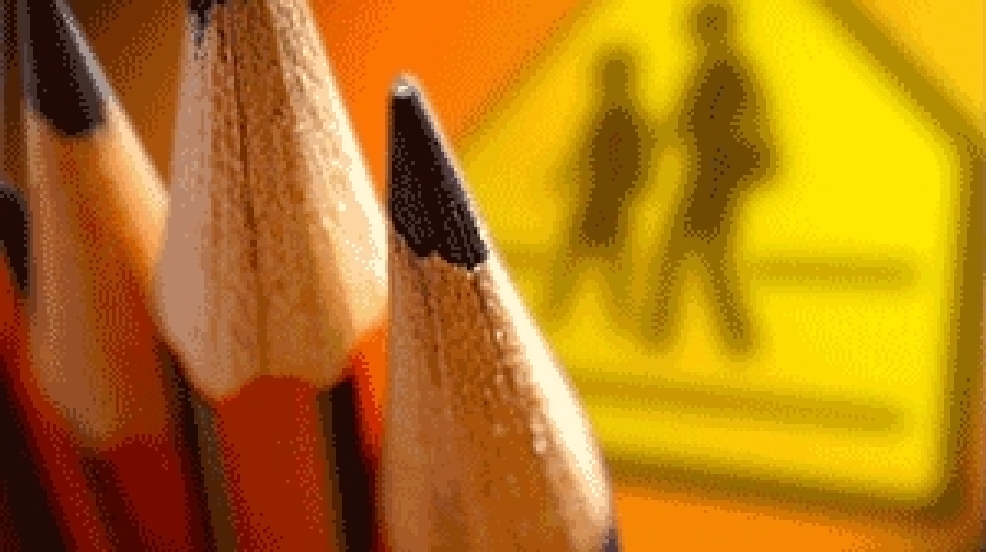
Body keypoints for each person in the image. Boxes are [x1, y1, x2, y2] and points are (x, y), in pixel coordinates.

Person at [646, 2, 775, 356]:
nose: (697, 34)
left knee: (684, 251)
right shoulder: (716, 69)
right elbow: (685, 120)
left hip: (716, 173)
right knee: (705, 254)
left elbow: (702, 121)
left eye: (702, 27)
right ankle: (734, 336)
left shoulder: (724, 71)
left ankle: (662, 330)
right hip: (711, 172)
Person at [547, 46, 658, 331]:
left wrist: (628, 192)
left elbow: (637, 161)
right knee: (591, 261)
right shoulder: (617, 115)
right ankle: (560, 313)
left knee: (589, 260)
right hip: (600, 198)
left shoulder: (626, 117)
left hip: (607, 200)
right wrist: (568, 174)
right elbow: (586, 153)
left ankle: (619, 319)